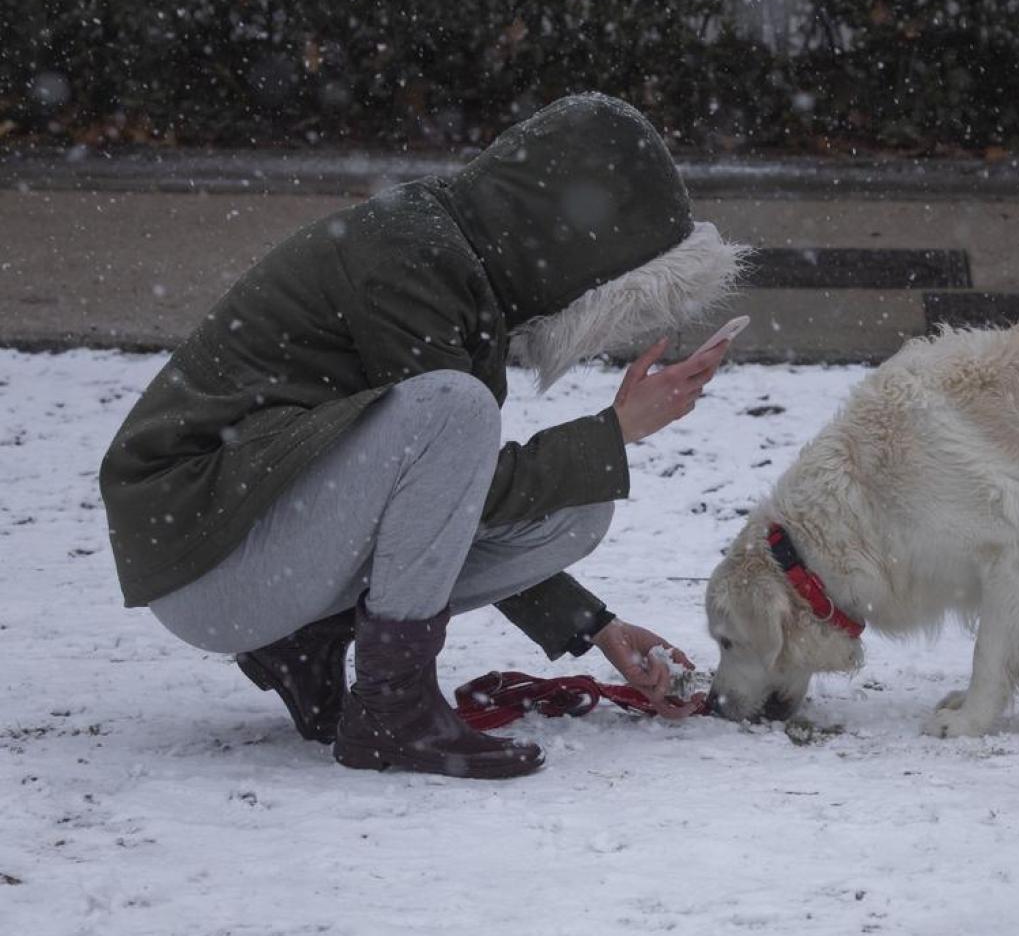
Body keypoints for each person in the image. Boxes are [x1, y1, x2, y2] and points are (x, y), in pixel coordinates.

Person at [99, 94, 749, 779]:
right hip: (204, 559)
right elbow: (464, 481)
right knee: (458, 409)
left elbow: (441, 505)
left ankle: (303, 643)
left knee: (576, 510)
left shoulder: (458, 263)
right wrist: (617, 430)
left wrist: (595, 628)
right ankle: (393, 710)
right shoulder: (410, 256)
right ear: (572, 245)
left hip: (259, 549)